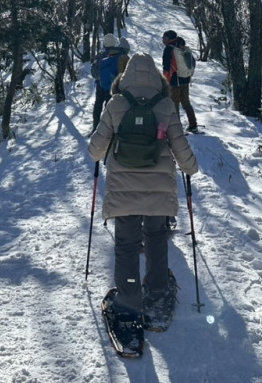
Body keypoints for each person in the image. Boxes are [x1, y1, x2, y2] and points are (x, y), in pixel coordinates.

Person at [88, 53, 199, 331]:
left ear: (123, 79)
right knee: (156, 240)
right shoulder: (165, 105)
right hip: (158, 192)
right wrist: (191, 167)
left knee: (126, 246)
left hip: (123, 191)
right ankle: (158, 297)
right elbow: (182, 149)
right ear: (157, 79)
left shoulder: (115, 104)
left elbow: (95, 150)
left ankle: (128, 299)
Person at [161, 30, 199, 132]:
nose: (163, 40)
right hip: (185, 79)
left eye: (164, 37)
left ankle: (177, 128)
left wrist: (165, 82)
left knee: (174, 103)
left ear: (168, 38)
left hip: (175, 81)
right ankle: (193, 125)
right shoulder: (182, 47)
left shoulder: (169, 49)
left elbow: (166, 68)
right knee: (186, 102)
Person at [90, 33, 127, 130]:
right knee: (110, 108)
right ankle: (109, 129)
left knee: (98, 106)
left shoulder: (100, 56)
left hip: (100, 86)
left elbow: (94, 72)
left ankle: (95, 127)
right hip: (113, 87)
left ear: (104, 44)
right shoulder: (118, 55)